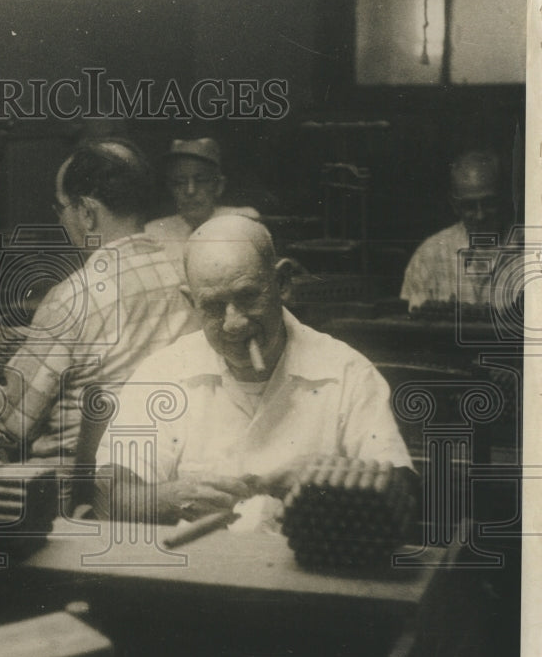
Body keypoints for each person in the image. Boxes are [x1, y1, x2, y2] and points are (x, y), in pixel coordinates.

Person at [94, 214, 413, 524]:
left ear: (282, 283)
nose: (234, 324)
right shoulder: (161, 374)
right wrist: (171, 498)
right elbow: (108, 498)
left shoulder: (347, 373)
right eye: (214, 307)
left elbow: (404, 495)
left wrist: (329, 484)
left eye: (247, 297)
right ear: (192, 303)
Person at [0, 139, 198, 472]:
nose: (60, 221)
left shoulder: (72, 298)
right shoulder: (186, 275)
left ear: (86, 213)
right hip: (163, 469)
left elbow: (11, 427)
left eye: (61, 208)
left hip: (75, 486)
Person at [400, 149, 514, 311]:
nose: (480, 215)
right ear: (454, 205)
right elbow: (410, 328)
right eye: (469, 206)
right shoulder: (429, 256)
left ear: (504, 197)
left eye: (489, 203)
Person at [144, 137, 259, 262]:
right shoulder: (154, 232)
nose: (190, 191)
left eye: (201, 181)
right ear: (171, 188)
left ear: (219, 186)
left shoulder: (241, 221)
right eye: (180, 182)